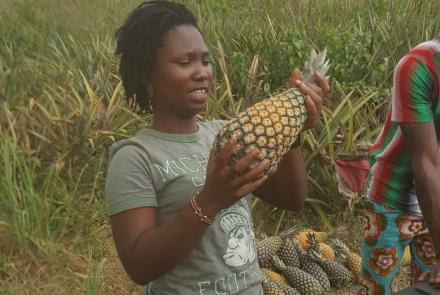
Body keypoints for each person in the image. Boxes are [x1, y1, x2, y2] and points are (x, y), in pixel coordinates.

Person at [105, 1, 329, 294]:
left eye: (205, 61)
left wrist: (293, 132)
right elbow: (138, 265)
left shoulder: (226, 134)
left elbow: (289, 198)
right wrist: (209, 200)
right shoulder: (135, 157)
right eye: (185, 63)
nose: (202, 73)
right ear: (147, 74)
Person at [358, 38, 440, 294]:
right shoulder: (419, 66)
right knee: (377, 288)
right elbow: (426, 162)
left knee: (430, 286)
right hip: (392, 196)